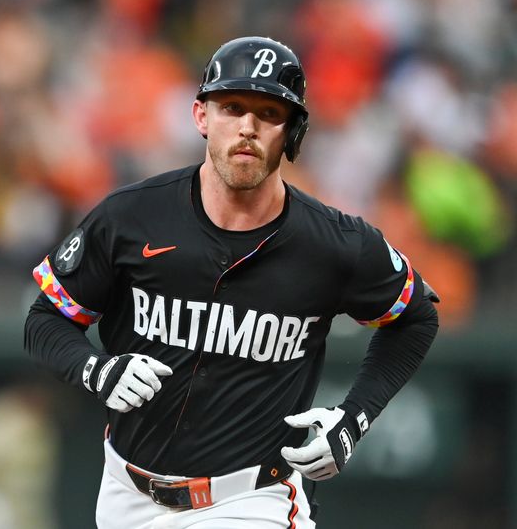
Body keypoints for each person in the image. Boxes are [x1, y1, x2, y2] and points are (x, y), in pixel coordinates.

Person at [24, 36, 439, 529]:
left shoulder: (335, 243)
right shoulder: (132, 216)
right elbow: (45, 318)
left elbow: (416, 315)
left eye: (269, 113)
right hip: (124, 494)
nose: (247, 127)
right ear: (201, 116)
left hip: (249, 500)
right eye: (232, 107)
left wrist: (354, 418)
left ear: (292, 132)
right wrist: (96, 369)